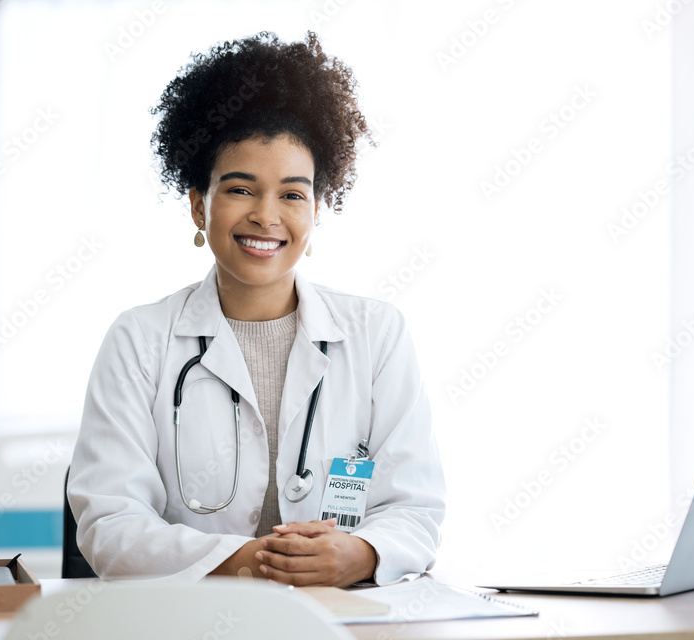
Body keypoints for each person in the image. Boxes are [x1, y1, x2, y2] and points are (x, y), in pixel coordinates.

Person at [67, 31, 445, 587]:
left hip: (343, 621)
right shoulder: (139, 339)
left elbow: (415, 509)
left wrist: (359, 553)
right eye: (241, 189)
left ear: (316, 210)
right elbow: (112, 525)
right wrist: (258, 564)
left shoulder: (377, 334)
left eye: (292, 195)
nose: (267, 216)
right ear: (199, 204)